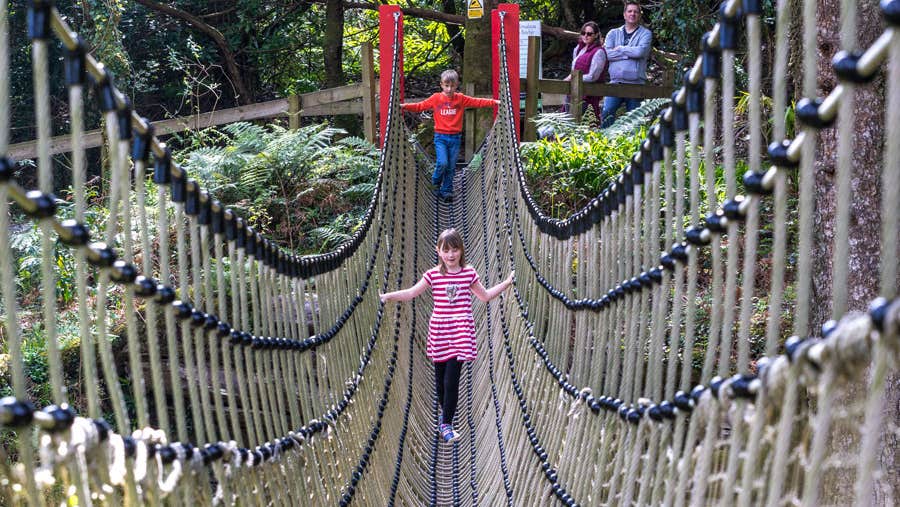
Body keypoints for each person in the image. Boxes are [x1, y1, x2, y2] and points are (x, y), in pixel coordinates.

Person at [380, 228, 515, 443]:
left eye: (455, 250)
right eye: (446, 250)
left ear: (461, 251)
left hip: (461, 331)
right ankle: (445, 418)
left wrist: (507, 283)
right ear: (438, 252)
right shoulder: (433, 275)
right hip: (440, 331)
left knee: (452, 381)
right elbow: (412, 293)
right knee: (441, 382)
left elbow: (485, 296)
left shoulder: (468, 273)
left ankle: (446, 424)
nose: (451, 255)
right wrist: (388, 296)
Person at [401, 70, 499, 202]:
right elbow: (420, 106)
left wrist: (494, 103)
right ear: (441, 85)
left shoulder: (460, 98)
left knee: (451, 166)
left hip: (455, 138)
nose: (449, 89)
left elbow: (477, 102)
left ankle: (446, 191)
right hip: (440, 137)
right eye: (446, 85)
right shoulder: (436, 98)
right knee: (442, 163)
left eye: (452, 86)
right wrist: (404, 106)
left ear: (456, 85)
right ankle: (435, 182)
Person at [601, 1, 653, 128]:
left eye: (636, 11)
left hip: (636, 84)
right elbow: (606, 54)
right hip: (615, 82)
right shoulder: (613, 33)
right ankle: (606, 141)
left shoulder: (646, 34)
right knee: (607, 112)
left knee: (634, 121)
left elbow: (640, 52)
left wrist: (619, 49)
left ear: (640, 15)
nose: (632, 14)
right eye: (630, 11)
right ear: (624, 14)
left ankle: (632, 146)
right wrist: (628, 53)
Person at [564, 21, 608, 124]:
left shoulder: (599, 52)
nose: (585, 36)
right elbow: (573, 69)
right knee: (568, 124)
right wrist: (572, 78)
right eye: (583, 33)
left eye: (589, 34)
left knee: (586, 124)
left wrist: (573, 78)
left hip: (589, 96)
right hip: (573, 93)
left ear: (596, 35)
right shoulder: (578, 49)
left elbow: (593, 76)